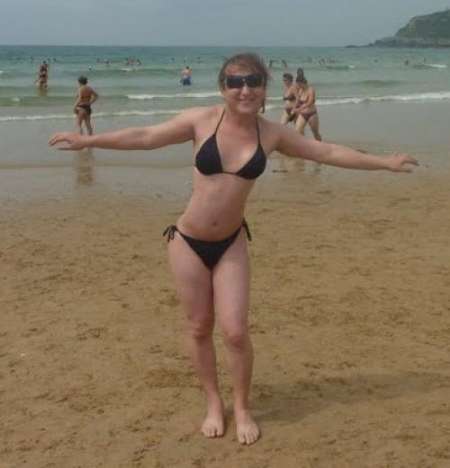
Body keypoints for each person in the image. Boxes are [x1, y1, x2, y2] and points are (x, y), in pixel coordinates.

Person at [49, 53, 418, 446]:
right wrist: (88, 140)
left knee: (236, 332)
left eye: (253, 81)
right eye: (235, 82)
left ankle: (241, 407)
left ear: (264, 87)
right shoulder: (200, 120)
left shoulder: (272, 134)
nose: (245, 89)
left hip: (231, 243)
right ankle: (213, 403)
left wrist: (384, 162)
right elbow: (145, 136)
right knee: (198, 327)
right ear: (222, 87)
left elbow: (326, 153)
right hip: (187, 242)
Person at [291, 68, 322, 141]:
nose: (298, 86)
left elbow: (310, 102)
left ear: (302, 83)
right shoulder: (300, 90)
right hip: (303, 114)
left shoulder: (311, 90)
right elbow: (298, 100)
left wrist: (299, 109)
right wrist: (294, 108)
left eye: (298, 84)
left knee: (315, 133)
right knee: (297, 130)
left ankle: (320, 145)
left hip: (312, 114)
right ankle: (304, 144)